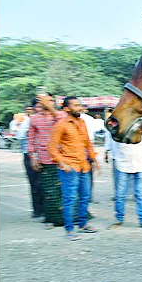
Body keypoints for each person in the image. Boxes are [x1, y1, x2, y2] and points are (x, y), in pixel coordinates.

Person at [49, 96, 98, 241]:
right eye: (75, 105)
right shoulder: (61, 125)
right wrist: (62, 163)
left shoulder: (82, 122)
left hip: (84, 166)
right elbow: (51, 147)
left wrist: (93, 159)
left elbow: (87, 142)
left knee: (85, 197)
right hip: (70, 167)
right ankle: (69, 229)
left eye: (79, 105)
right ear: (66, 109)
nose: (79, 107)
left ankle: (83, 224)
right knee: (69, 199)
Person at [26, 92, 64, 228]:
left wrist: (53, 110)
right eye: (45, 101)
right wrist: (33, 158)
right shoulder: (35, 118)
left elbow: (65, 123)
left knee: (62, 190)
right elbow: (31, 140)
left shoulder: (61, 116)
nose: (49, 103)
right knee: (48, 191)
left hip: (62, 158)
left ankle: (65, 218)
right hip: (44, 158)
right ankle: (50, 219)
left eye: (51, 100)